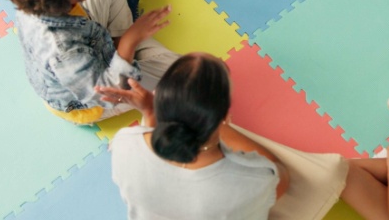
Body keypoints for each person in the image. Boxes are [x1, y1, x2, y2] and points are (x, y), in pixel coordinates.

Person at [99, 53, 348, 220]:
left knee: (338, 168)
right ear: (226, 117)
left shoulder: (124, 143)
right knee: (331, 172)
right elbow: (280, 178)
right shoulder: (249, 177)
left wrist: (150, 113)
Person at [0, 0, 180, 125]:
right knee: (184, 74)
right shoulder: (63, 51)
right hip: (94, 101)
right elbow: (108, 93)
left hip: (89, 38)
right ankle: (126, 48)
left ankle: (120, 45)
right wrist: (130, 40)